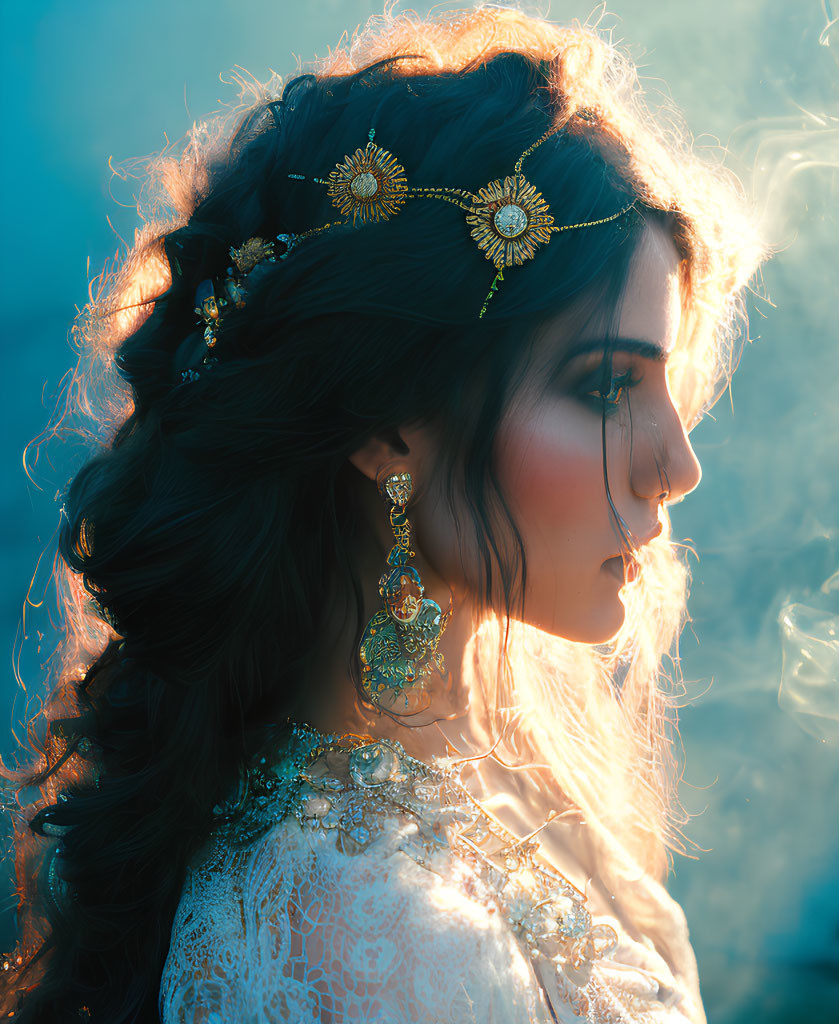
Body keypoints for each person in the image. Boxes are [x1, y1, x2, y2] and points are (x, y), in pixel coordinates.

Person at [0, 5, 763, 1021]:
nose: (678, 466)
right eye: (604, 387)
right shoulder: (360, 934)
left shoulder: (498, 790)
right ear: (383, 420)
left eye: (664, 388)